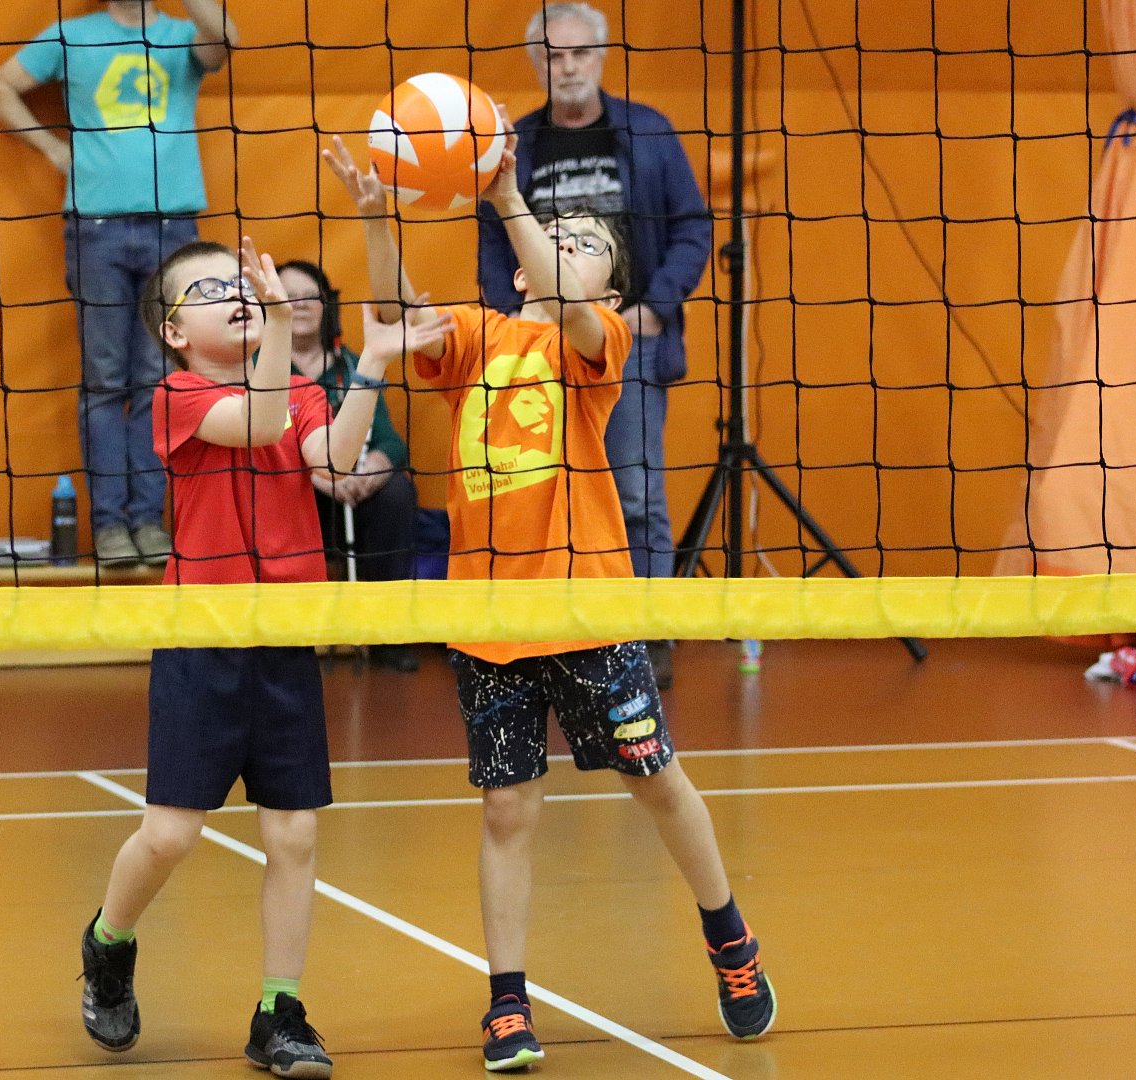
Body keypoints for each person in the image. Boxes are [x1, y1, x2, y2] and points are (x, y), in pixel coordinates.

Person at [325, 133, 775, 1071]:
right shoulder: (480, 335)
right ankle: (507, 1002)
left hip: (584, 611)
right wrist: (377, 221)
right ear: (519, 272)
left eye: (586, 242)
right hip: (489, 622)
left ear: (611, 288)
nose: (565, 245)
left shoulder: (597, 341)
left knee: (655, 780)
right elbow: (398, 314)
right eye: (554, 236)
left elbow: (569, 300)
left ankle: (729, 935)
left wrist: (507, 196)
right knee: (506, 811)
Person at [74, 235, 450, 1076]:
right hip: (203, 638)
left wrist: (373, 363)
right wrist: (280, 320)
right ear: (174, 332)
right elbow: (260, 422)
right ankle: (109, 940)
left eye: (237, 282)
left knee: (294, 834)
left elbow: (335, 458)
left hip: (283, 636)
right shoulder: (179, 395)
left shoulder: (305, 390)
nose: (236, 293)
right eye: (210, 290)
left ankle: (279, 1010)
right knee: (170, 835)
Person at [477, 2, 713, 689]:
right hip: (537, 353)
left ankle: (646, 637)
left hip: (625, 344)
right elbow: (493, 242)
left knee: (636, 496)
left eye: (580, 52)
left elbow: (693, 227)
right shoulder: (519, 142)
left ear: (602, 57)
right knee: (540, 491)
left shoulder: (648, 131)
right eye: (554, 55)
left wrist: (654, 308)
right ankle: (556, 635)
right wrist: (515, 323)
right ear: (536, 62)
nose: (568, 66)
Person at [0, 0, 238, 566]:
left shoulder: (181, 35)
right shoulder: (71, 35)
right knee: (104, 381)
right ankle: (110, 528)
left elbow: (226, 39)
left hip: (172, 227)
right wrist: (53, 148)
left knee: (158, 379)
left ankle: (148, 521)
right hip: (96, 227)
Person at [278, 258, 422, 673]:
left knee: (397, 493)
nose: (298, 304)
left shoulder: (356, 364)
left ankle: (386, 635)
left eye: (309, 295)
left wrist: (369, 471)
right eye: (287, 296)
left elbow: (389, 441)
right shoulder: (255, 367)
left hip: (355, 498)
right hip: (296, 500)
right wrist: (321, 476)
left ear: (327, 304)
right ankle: (285, 636)